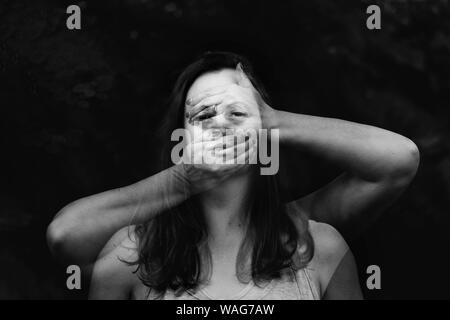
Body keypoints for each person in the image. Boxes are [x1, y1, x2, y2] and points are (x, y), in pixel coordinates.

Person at [47, 52, 419, 300]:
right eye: (204, 115)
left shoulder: (317, 246)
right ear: (181, 141)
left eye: (237, 112)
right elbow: (66, 236)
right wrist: (187, 179)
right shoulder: (136, 256)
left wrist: (274, 119)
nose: (221, 123)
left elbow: (399, 158)